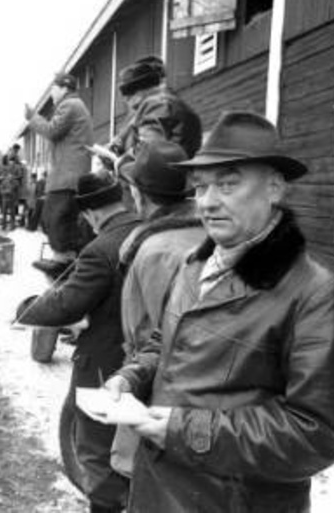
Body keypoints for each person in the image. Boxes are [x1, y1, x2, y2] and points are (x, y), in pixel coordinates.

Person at [104, 111, 334, 512]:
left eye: (228, 184)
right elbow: (167, 342)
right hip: (156, 489)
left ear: (275, 188)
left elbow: (317, 433)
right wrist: (133, 376)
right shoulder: (194, 265)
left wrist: (183, 430)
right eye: (200, 188)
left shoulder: (321, 294)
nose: (208, 203)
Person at [16, 171, 141, 513]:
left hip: (105, 363)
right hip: (150, 360)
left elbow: (66, 304)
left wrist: (26, 311)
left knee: (96, 450)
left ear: (91, 213)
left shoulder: (101, 248)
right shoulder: (147, 231)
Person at [109, 140, 205, 478]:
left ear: (139, 194)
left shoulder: (155, 251)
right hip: (203, 403)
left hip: (159, 393)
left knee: (147, 478)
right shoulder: (208, 232)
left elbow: (156, 336)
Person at [25, 72, 93, 277]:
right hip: (71, 174)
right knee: (60, 217)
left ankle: (65, 261)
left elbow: (52, 130)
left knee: (56, 216)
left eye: (53, 88)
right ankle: (69, 259)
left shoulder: (69, 105)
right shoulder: (76, 106)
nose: (52, 93)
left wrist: (32, 117)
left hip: (67, 176)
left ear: (64, 88)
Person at [107, 56, 202, 161]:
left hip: (160, 173)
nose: (125, 101)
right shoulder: (152, 108)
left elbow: (147, 155)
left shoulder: (157, 105)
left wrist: (119, 162)